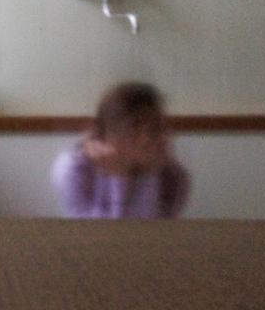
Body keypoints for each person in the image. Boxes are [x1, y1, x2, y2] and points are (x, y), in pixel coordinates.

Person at [51, 82, 190, 219]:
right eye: (134, 127)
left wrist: (150, 175)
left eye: (156, 127)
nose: (146, 138)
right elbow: (97, 231)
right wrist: (118, 178)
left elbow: (149, 230)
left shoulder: (172, 175)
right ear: (105, 132)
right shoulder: (73, 168)